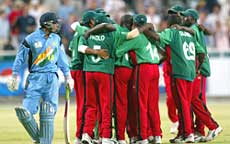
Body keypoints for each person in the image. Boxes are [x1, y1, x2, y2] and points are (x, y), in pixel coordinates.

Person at [7, 12, 74, 144]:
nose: (57, 25)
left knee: (48, 112)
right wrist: (14, 75)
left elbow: (62, 59)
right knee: (26, 112)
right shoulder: (30, 39)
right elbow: (20, 58)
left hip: (52, 79)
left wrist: (68, 77)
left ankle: (44, 142)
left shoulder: (56, 38)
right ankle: (40, 139)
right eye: (54, 22)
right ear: (46, 24)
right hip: (35, 79)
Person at [116, 14, 161, 144]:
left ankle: (143, 137)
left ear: (134, 25)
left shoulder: (138, 38)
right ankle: (157, 135)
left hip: (144, 69)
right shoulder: (151, 37)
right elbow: (162, 51)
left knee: (141, 104)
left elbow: (118, 51)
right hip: (155, 68)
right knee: (153, 105)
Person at [181, 8, 222, 142]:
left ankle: (209, 127)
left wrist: (197, 68)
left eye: (186, 17)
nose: (184, 19)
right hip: (197, 68)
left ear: (192, 18)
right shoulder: (197, 27)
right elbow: (206, 32)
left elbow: (194, 31)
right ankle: (201, 129)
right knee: (195, 100)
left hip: (199, 69)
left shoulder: (193, 28)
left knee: (196, 100)